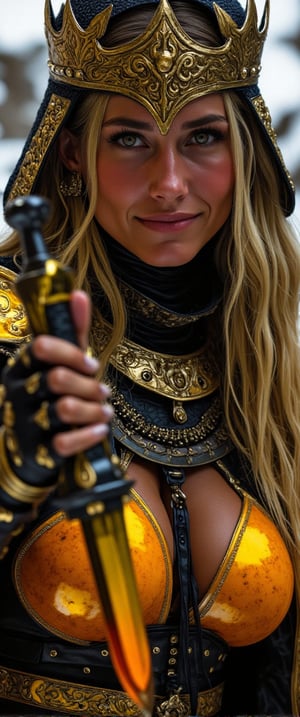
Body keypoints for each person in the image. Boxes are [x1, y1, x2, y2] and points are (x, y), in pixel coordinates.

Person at [0, 0, 299, 715]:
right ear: (72, 151)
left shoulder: (264, 356)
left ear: (246, 149)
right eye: (131, 139)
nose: (169, 181)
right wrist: (11, 478)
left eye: (203, 136)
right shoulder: (16, 330)